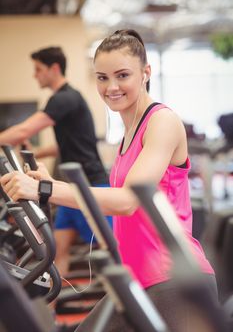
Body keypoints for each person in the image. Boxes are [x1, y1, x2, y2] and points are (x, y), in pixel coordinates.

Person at [0, 30, 218, 332]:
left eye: (122, 75)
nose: (111, 87)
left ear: (146, 73)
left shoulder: (162, 122)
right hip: (138, 280)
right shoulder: (128, 133)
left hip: (173, 281)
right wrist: (49, 183)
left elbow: (130, 201)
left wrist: (45, 188)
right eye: (102, 77)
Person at [0, 46, 111, 277]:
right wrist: (35, 154)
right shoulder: (67, 99)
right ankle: (50, 314)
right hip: (70, 188)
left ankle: (125, 306)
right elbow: (67, 145)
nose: (35, 75)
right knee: (55, 253)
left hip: (90, 186)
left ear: (54, 68)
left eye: (38, 69)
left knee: (112, 253)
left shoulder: (65, 98)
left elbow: (23, 130)